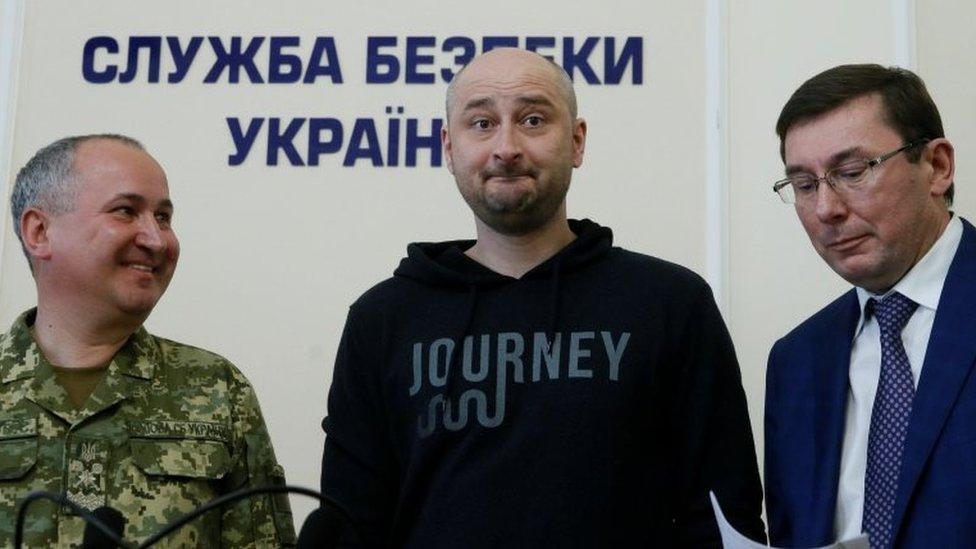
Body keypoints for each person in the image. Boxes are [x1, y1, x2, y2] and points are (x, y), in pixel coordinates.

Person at [321, 48, 764, 547]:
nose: (506, 146)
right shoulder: (383, 320)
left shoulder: (670, 304)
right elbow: (349, 526)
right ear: (449, 147)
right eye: (482, 123)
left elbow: (727, 517)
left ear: (576, 141)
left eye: (533, 119)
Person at [0, 135, 296, 546]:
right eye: (126, 211)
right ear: (39, 231)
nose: (156, 240)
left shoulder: (217, 388)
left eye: (163, 217)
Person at [765, 64, 974, 548]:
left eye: (853, 172)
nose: (826, 209)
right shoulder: (796, 361)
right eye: (804, 184)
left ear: (937, 166)